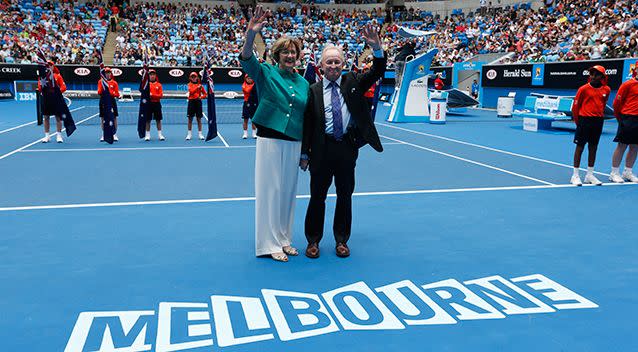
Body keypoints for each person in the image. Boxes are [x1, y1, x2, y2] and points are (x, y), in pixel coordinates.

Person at [300, 23, 386, 259]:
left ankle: (341, 240)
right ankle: (313, 241)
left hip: (346, 148)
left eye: (337, 61)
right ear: (321, 66)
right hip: (320, 149)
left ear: (343, 64)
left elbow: (378, 71)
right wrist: (304, 153)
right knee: (317, 197)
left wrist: (377, 47)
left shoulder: (354, 83)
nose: (334, 65)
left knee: (344, 196)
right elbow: (307, 123)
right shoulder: (312, 90)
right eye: (329, 62)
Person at [240, 6, 309, 262]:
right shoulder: (266, 72)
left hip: (294, 141)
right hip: (270, 139)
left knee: (288, 193)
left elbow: (306, 117)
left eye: (294, 52)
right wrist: (251, 34)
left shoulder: (303, 83)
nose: (290, 55)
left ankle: (283, 238)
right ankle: (268, 244)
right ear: (277, 55)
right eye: (286, 52)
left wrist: (305, 152)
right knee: (270, 191)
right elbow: (247, 58)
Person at [570, 65, 610, 186]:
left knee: (593, 147)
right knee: (580, 147)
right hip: (584, 121)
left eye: (595, 74)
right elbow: (575, 107)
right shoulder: (583, 89)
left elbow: (603, 105)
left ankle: (589, 175)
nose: (592, 76)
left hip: (597, 121)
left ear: (601, 77)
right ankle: (575, 175)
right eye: (591, 73)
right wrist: (579, 122)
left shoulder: (606, 90)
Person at [608, 69, 638, 183]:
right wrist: (620, 118)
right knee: (622, 145)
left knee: (635, 146)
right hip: (628, 118)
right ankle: (614, 173)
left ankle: (628, 172)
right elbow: (617, 103)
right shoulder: (627, 84)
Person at [38, 62, 66, 143]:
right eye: (47, 66)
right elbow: (40, 87)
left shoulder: (58, 76)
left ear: (53, 66)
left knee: (58, 117)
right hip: (46, 99)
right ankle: (47, 136)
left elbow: (64, 87)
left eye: (50, 65)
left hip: (56, 99)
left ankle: (59, 135)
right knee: (46, 117)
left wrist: (57, 93)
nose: (49, 67)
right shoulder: (43, 77)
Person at [97, 67, 120, 142]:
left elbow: (117, 94)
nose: (108, 74)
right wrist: (105, 91)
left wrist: (109, 92)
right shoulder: (101, 82)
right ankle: (104, 134)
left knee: (114, 118)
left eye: (109, 73)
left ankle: (114, 134)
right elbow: (99, 92)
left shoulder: (114, 83)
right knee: (103, 118)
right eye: (106, 73)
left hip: (112, 101)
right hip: (103, 101)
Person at [145, 69, 165, 141]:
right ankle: (147, 135)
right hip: (149, 104)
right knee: (148, 120)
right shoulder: (146, 85)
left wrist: (152, 95)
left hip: (157, 103)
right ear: (149, 76)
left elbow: (160, 95)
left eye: (153, 74)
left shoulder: (159, 85)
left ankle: (160, 135)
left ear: (155, 76)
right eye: (151, 75)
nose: (152, 76)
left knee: (158, 120)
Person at [186, 71, 206, 141]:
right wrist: (197, 88)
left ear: (197, 77)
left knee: (199, 119)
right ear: (190, 78)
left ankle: (200, 134)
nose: (194, 78)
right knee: (190, 119)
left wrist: (201, 97)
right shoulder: (189, 84)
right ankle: (189, 134)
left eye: (195, 77)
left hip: (198, 102)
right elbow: (191, 92)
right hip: (191, 102)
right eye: (192, 77)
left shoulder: (200, 86)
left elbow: (205, 94)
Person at [241, 74, 258, 139]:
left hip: (254, 103)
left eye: (251, 78)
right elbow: (248, 90)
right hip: (247, 103)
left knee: (253, 120)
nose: (249, 79)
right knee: (246, 119)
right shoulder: (244, 86)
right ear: (245, 79)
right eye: (248, 78)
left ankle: (254, 133)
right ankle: (245, 134)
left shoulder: (255, 85)